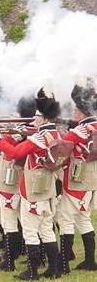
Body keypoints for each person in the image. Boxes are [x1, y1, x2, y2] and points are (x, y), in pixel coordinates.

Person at [0, 88, 64, 280]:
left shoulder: (40, 136)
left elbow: (15, 153)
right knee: (46, 230)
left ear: (44, 118)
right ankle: (54, 269)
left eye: (38, 117)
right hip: (47, 187)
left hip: (32, 189)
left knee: (31, 231)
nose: (35, 119)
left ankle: (32, 272)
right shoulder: (54, 133)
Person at [56, 79, 97, 274]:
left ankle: (63, 263)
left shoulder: (80, 129)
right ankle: (90, 260)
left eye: (75, 111)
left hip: (75, 180)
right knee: (84, 219)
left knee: (65, 220)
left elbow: (61, 146)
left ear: (81, 112)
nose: (73, 114)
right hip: (90, 180)